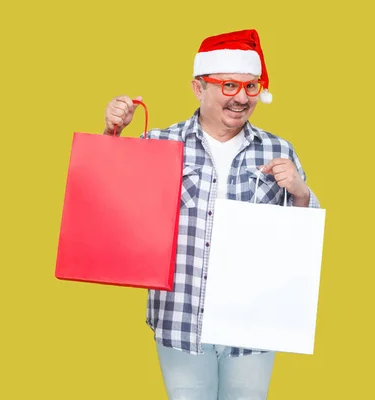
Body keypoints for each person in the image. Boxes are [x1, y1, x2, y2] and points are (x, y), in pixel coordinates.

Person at [103, 29, 321, 400]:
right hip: (181, 317)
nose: (241, 98)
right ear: (198, 88)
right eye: (229, 86)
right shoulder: (159, 144)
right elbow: (107, 201)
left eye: (251, 87)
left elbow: (298, 244)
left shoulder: (278, 148)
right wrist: (112, 134)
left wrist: (301, 193)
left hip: (255, 322)